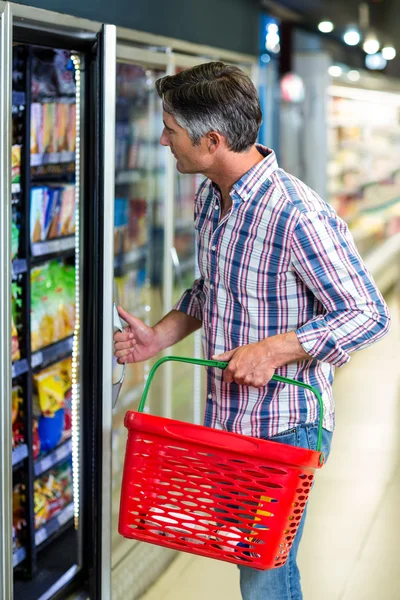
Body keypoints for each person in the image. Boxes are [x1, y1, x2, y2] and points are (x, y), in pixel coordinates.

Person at [114, 62, 390, 600]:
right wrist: (159, 338)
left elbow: (369, 313)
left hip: (285, 423)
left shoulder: (296, 214)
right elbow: (212, 288)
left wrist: (274, 349)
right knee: (251, 558)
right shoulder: (211, 196)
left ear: (211, 140)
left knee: (264, 572)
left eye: (171, 130)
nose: (164, 140)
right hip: (230, 416)